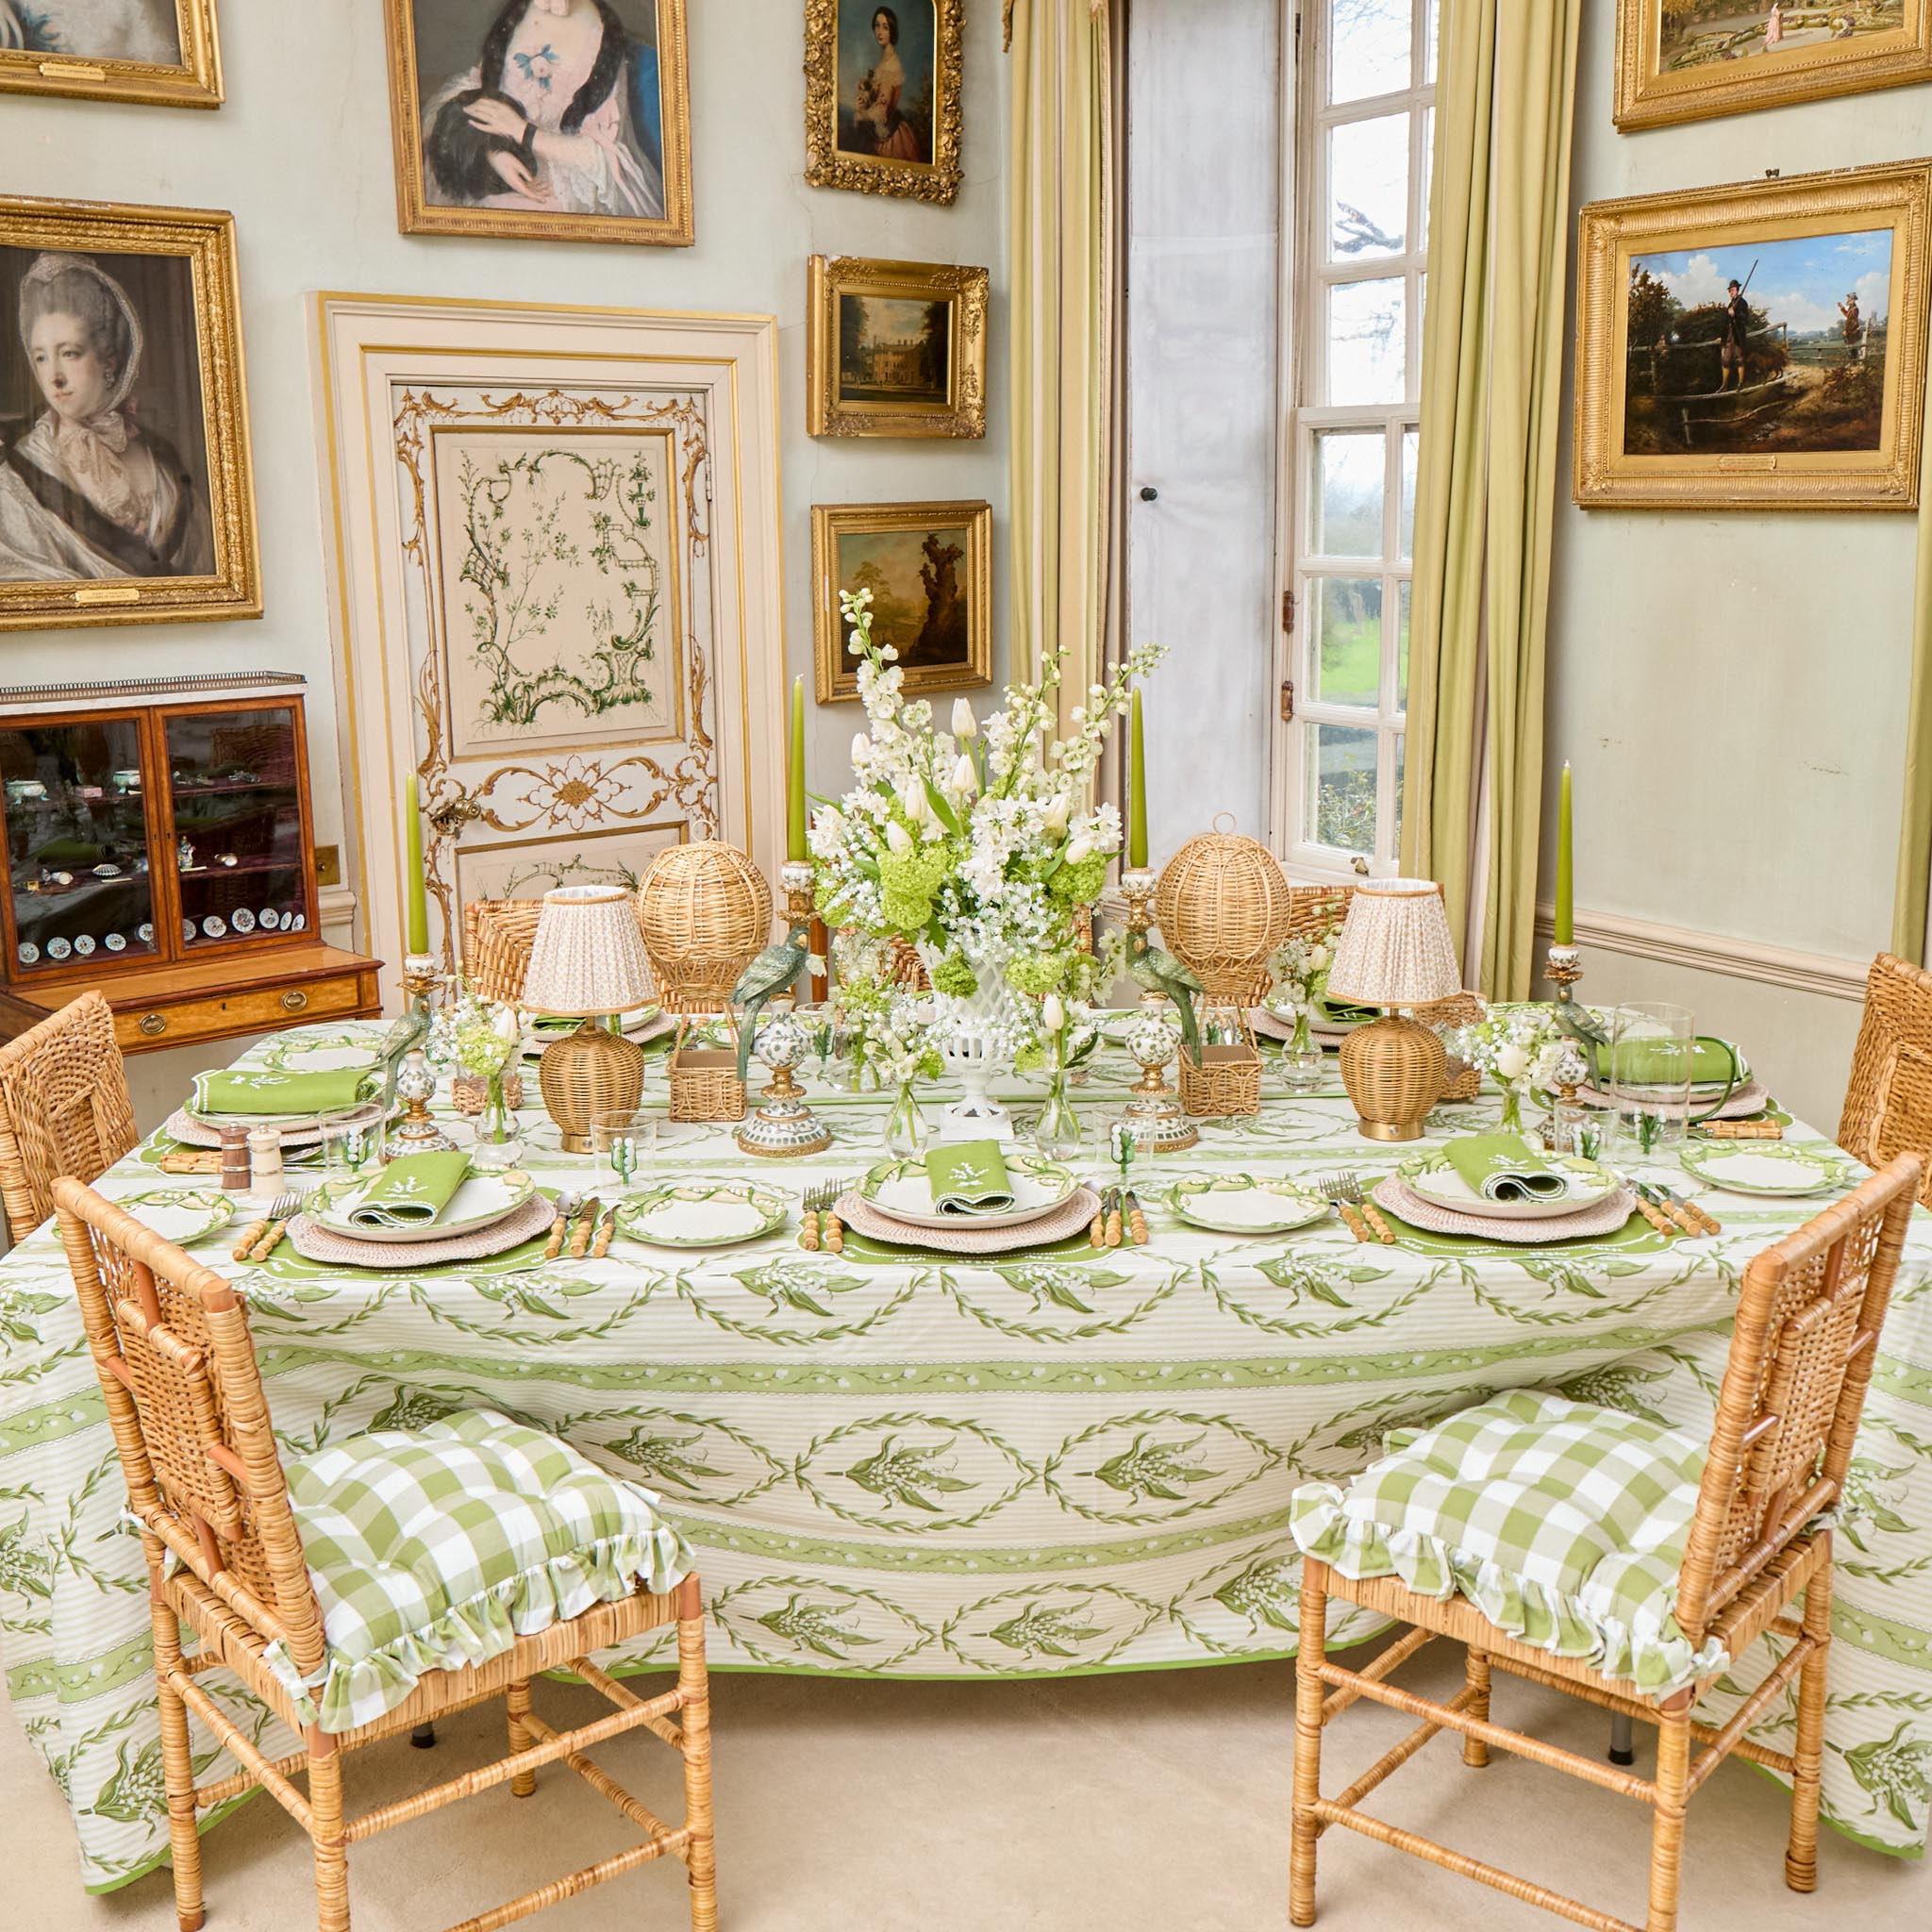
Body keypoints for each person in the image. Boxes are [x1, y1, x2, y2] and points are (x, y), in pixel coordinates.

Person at [0, 251, 213, 582]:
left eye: (70, 353)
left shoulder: (163, 462)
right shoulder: (18, 471)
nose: (54, 376)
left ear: (108, 361)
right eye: (41, 358)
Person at [421, 0, 663, 222]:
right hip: (496, 170)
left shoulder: (603, 35)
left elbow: (603, 162)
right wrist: (493, 153)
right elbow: (479, 102)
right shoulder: (516, 14)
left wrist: (524, 132)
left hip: (561, 187)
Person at [853, 8, 927, 163]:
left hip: (890, 137)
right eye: (877, 26)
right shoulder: (885, 60)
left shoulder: (891, 65)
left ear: (892, 30)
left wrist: (861, 114)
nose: (879, 31)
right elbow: (880, 94)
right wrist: (868, 90)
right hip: (882, 131)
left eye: (885, 27)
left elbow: (882, 111)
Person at [1717, 277, 1752, 393]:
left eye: (1733, 290)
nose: (1731, 292)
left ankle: (1741, 384)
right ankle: (1724, 385)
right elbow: (1725, 323)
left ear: (1737, 290)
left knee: (1740, 359)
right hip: (1729, 337)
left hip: (1738, 336)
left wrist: (1735, 314)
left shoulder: (1742, 303)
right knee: (1726, 360)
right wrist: (1721, 337)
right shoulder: (1730, 304)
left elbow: (1745, 319)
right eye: (1730, 290)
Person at [1840, 291, 1864, 361]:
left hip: (1853, 332)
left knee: (1853, 349)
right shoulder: (1851, 308)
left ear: (1852, 300)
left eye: (1848, 299)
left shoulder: (1855, 309)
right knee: (1851, 349)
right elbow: (1848, 316)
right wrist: (1842, 308)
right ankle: (1853, 363)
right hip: (1850, 332)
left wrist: (1847, 331)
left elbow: (1853, 322)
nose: (1847, 300)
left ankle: (1854, 364)